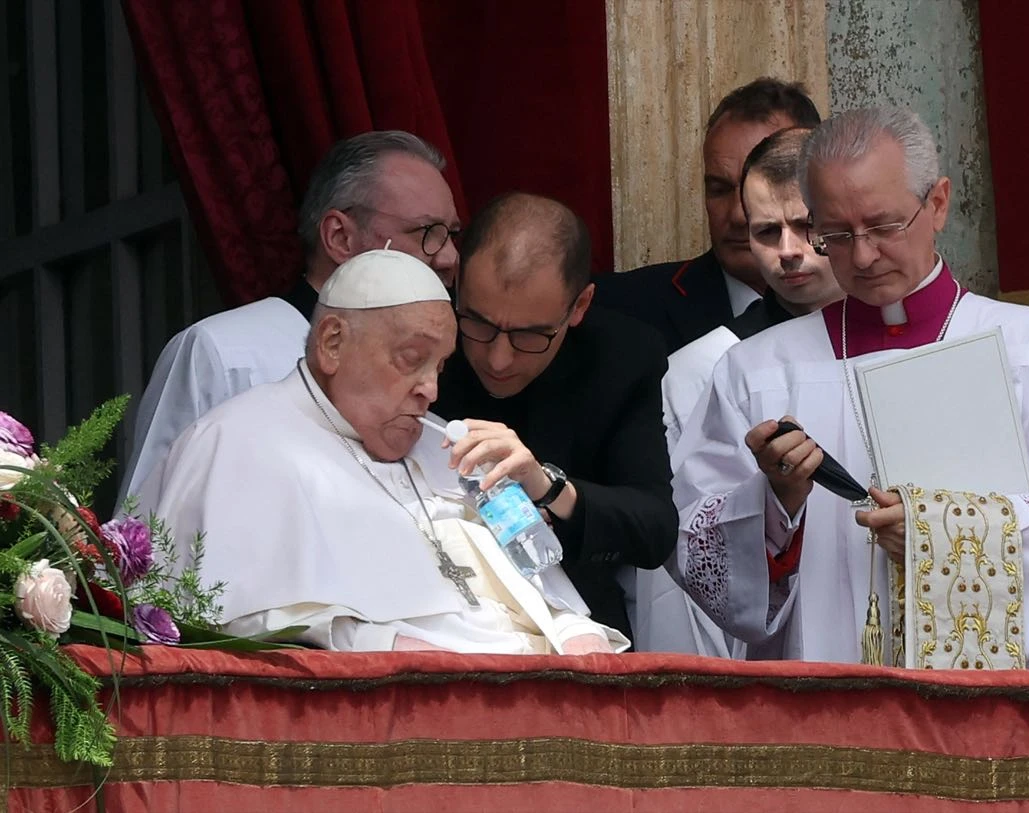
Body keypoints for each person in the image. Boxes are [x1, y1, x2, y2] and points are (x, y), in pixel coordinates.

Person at [670, 106, 1029, 669]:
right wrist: (776, 503)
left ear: (938, 202)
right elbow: (696, 548)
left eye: (882, 226)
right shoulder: (756, 372)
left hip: (994, 711)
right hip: (824, 702)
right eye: (837, 235)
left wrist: (943, 540)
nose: (865, 255)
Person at [137, 250, 626, 655]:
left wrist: (570, 631)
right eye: (412, 360)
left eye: (440, 367)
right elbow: (244, 622)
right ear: (332, 343)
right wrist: (384, 643)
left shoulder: (448, 447)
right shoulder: (234, 442)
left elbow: (543, 588)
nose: (431, 390)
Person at [118, 131, 462, 504]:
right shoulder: (224, 353)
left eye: (453, 235)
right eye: (428, 233)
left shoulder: (444, 372)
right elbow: (147, 538)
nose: (449, 259)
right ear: (340, 237)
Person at [433, 192, 677, 642]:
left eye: (531, 335)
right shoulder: (424, 337)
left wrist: (547, 487)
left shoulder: (622, 357)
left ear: (580, 306)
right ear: (456, 286)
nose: (499, 359)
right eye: (478, 323)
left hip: (573, 627)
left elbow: (655, 528)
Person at [638, 126, 843, 657]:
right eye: (767, 233)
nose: (789, 252)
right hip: (778, 656)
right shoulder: (705, 369)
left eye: (805, 226)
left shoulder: (914, 342)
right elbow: (686, 561)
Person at [593, 78, 822, 353]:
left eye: (770, 189)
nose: (739, 215)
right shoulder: (622, 309)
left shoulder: (874, 304)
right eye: (719, 189)